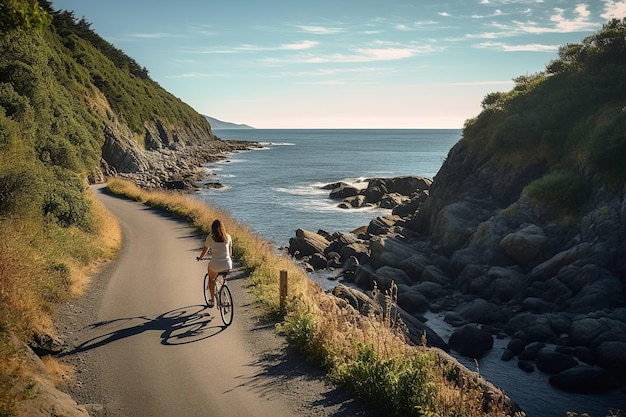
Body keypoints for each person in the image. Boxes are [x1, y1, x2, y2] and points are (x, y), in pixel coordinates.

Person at [197, 219, 232, 308]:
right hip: (227, 264)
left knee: (211, 279)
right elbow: (229, 252)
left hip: (215, 264)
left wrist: (200, 257)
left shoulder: (210, 237)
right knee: (223, 278)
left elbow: (205, 250)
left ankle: (212, 300)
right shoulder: (228, 237)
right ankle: (224, 294)